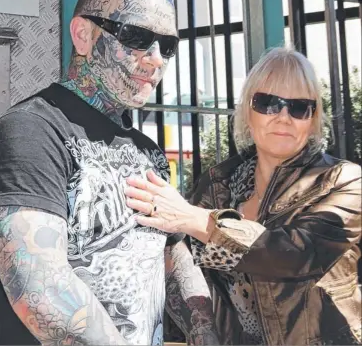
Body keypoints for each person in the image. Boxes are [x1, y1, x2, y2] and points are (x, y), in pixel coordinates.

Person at [0, 0, 218, 346]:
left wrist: (204, 332)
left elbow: (171, 255)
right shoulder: (29, 132)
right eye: (137, 37)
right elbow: (42, 296)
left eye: (167, 46)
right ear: (83, 35)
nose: (156, 60)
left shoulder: (147, 152)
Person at [125, 47, 362, 345]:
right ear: (247, 111)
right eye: (268, 103)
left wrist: (199, 221)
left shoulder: (342, 182)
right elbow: (187, 276)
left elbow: (294, 256)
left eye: (299, 107)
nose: (284, 117)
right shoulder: (216, 186)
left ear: (313, 120)